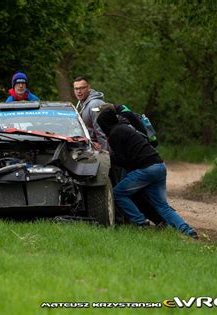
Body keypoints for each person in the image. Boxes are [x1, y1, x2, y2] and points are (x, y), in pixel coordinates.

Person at [96, 107, 198, 238]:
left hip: (146, 169)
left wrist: (105, 155)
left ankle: (140, 223)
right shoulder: (125, 128)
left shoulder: (115, 134)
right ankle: (188, 230)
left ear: (104, 124)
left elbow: (124, 160)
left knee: (118, 193)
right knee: (162, 206)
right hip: (159, 166)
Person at [73, 77, 107, 149]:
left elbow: (101, 131)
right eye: (76, 89)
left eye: (82, 88)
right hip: (90, 146)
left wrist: (105, 152)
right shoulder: (81, 104)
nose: (79, 91)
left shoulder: (95, 104)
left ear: (89, 88)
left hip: (100, 149)